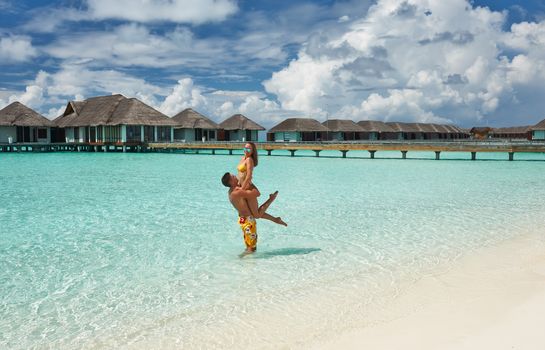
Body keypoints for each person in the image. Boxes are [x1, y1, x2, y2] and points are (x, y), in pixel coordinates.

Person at [222, 172, 286, 254]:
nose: (235, 176)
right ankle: (242, 261)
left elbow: (255, 213)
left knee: (249, 246)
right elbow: (257, 193)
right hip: (248, 221)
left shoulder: (231, 191)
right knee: (252, 249)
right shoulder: (237, 192)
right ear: (231, 182)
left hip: (243, 220)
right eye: (233, 176)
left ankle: (244, 262)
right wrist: (249, 181)